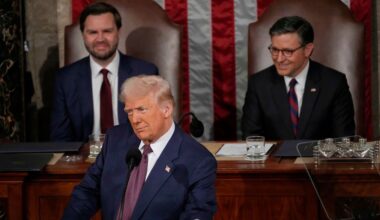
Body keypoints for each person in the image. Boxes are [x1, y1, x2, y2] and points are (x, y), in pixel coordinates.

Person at [62, 75, 217, 219]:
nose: (134, 120)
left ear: (166, 109)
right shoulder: (115, 140)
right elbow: (87, 192)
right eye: (129, 112)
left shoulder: (198, 161)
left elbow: (197, 213)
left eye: (142, 109)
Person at [50, 2, 158, 142]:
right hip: (85, 159)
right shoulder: (65, 79)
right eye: (93, 32)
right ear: (83, 35)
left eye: (107, 31)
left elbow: (154, 129)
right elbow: (60, 139)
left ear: (118, 32)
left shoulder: (145, 73)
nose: (100, 39)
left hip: (132, 156)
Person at [242, 16, 355, 140]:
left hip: (318, 158)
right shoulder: (258, 84)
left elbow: (344, 141)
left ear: (307, 50)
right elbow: (251, 139)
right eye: (275, 49)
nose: (279, 59)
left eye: (287, 51)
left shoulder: (333, 83)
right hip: (274, 159)